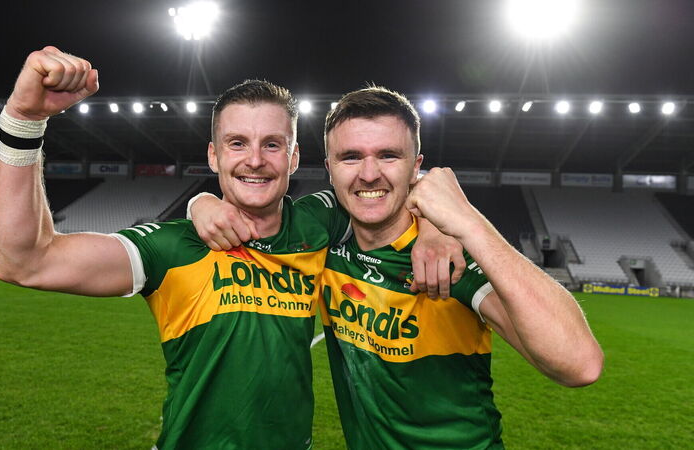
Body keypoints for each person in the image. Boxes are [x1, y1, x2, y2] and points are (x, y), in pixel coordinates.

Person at [0, 47, 460, 448]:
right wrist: (25, 121)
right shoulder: (172, 246)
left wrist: (436, 228)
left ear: (294, 157)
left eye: (272, 144)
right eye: (237, 143)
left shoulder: (319, 222)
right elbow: (25, 261)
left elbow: (395, 184)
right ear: (214, 156)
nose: (255, 160)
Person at [190, 86, 604, 448]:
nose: (369, 174)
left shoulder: (452, 260)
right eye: (351, 157)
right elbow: (254, 212)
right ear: (329, 168)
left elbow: (580, 365)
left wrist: (467, 224)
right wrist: (201, 202)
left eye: (388, 155)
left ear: (415, 165)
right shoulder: (320, 233)